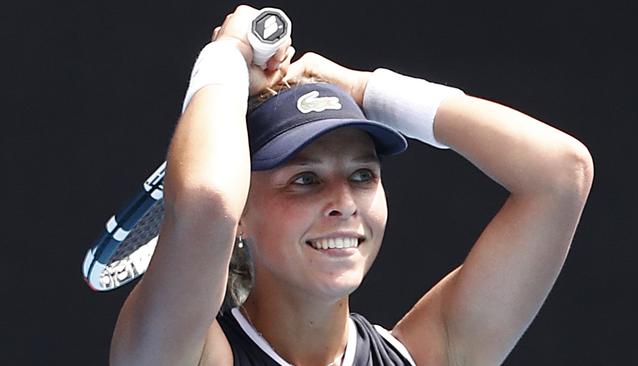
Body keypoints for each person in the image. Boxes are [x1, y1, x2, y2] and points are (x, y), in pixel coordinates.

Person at [110, 5, 594, 366]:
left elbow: (560, 173)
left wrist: (368, 91)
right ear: (242, 213)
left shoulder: (419, 356)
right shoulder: (183, 353)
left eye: (363, 175)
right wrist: (227, 58)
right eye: (304, 180)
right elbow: (205, 201)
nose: (344, 202)